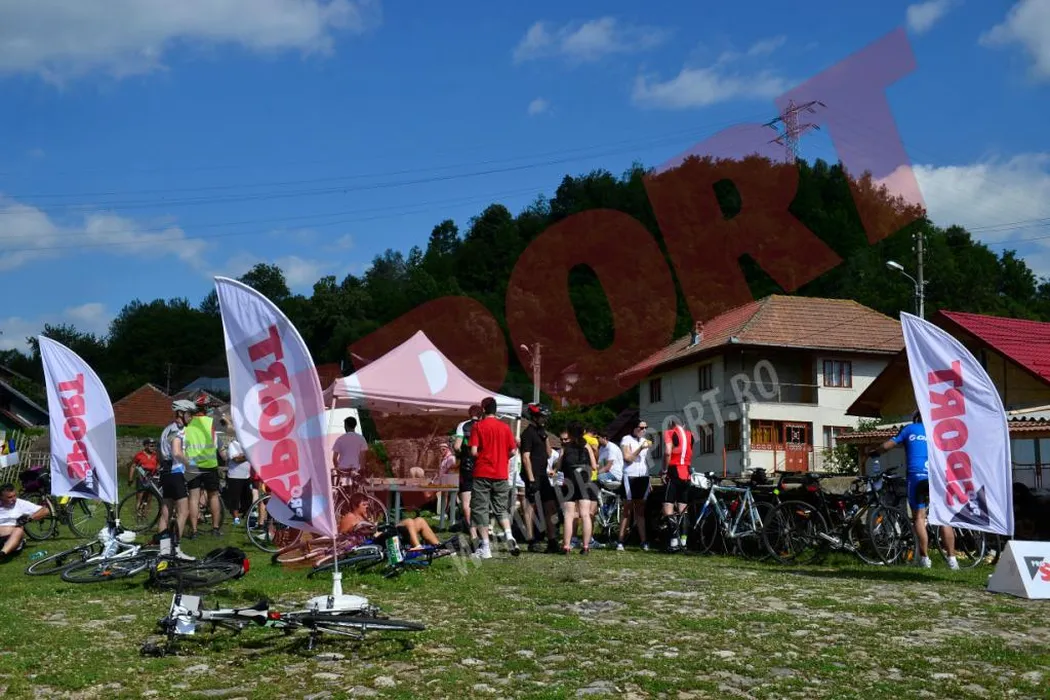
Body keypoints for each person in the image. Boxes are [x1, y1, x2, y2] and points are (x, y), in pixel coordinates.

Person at [869, 411, 958, 570]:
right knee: (944, 518)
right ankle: (952, 560)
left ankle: (925, 559)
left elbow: (888, 445)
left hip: (916, 475)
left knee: (919, 517)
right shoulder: (938, 430)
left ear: (916, 418)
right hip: (935, 476)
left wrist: (874, 453)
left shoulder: (909, 429)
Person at [468, 397, 520, 559]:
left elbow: (473, 451)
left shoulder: (478, 426)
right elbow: (513, 451)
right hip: (501, 473)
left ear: (484, 409)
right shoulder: (505, 427)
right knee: (501, 508)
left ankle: (485, 547)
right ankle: (509, 534)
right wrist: (502, 458)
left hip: (482, 472)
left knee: (480, 509)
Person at [158, 400, 195, 560]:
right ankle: (176, 549)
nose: (191, 417)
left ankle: (164, 550)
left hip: (166, 473)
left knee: (165, 513)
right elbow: (176, 452)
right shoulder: (176, 431)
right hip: (175, 473)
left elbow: (161, 453)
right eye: (189, 414)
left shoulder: (167, 429)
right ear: (181, 413)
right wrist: (189, 464)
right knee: (183, 511)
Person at [519, 403, 559, 553]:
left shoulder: (542, 433)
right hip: (532, 475)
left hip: (543, 474)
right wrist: (531, 479)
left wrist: (546, 437)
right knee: (530, 507)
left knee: (550, 506)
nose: (545, 420)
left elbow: (549, 454)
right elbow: (525, 457)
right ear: (535, 417)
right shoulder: (527, 434)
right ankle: (531, 540)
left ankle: (552, 540)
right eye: (542, 417)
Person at [339, 493, 442, 550]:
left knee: (420, 520)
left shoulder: (363, 515)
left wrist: (373, 524)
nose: (367, 507)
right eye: (364, 505)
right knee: (409, 521)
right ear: (354, 505)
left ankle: (439, 546)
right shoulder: (349, 517)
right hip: (378, 539)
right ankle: (417, 547)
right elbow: (342, 537)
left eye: (367, 504)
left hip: (383, 533)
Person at [183, 395, 222, 537]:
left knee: (193, 498)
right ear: (206, 408)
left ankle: (194, 530)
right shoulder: (212, 422)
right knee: (213, 496)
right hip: (210, 464)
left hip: (192, 465)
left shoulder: (188, 423)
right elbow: (217, 443)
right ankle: (215, 528)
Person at [557, 421, 599, 555]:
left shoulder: (565, 447)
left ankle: (566, 546)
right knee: (585, 514)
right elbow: (594, 466)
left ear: (569, 433)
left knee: (569, 515)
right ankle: (586, 546)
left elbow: (558, 466)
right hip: (584, 482)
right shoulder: (587, 446)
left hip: (569, 482)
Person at [619, 420, 652, 551]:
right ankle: (620, 540)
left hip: (643, 476)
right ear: (634, 428)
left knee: (640, 510)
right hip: (630, 476)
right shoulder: (626, 439)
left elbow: (645, 461)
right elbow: (628, 458)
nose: (644, 430)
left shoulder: (644, 440)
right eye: (641, 427)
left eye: (645, 427)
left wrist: (649, 479)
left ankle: (643, 541)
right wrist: (640, 448)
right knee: (627, 509)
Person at [662, 418, 694, 550]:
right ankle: (684, 542)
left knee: (668, 507)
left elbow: (667, 452)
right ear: (684, 425)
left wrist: (664, 470)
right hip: (687, 474)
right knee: (683, 509)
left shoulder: (669, 433)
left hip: (674, 472)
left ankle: (674, 541)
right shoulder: (690, 435)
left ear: (671, 425)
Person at [453, 404, 482, 542]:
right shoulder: (484, 425)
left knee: (466, 501)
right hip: (482, 465)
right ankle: (484, 529)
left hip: (467, 465)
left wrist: (461, 452)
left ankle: (473, 533)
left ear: (469, 414)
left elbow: (457, 446)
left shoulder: (463, 425)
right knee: (482, 500)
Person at [218, 414, 252, 527]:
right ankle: (236, 518)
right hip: (235, 476)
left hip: (246, 475)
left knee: (247, 498)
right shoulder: (233, 444)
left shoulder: (247, 445)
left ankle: (245, 515)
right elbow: (236, 459)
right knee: (235, 499)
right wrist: (248, 456)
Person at [0, 483, 48, 560]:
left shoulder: (20, 503)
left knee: (19, 530)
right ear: (1, 497)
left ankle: (2, 554)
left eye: (15, 495)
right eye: (10, 497)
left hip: (13, 538)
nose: (14, 499)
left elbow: (45, 510)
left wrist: (29, 518)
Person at [127, 438, 159, 519]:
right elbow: (133, 466)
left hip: (152, 478)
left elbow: (159, 465)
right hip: (142, 478)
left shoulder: (156, 455)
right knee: (139, 498)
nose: (153, 447)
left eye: (154, 446)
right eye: (151, 446)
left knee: (149, 498)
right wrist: (130, 479)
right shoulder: (139, 455)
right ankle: (138, 515)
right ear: (145, 446)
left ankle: (145, 515)